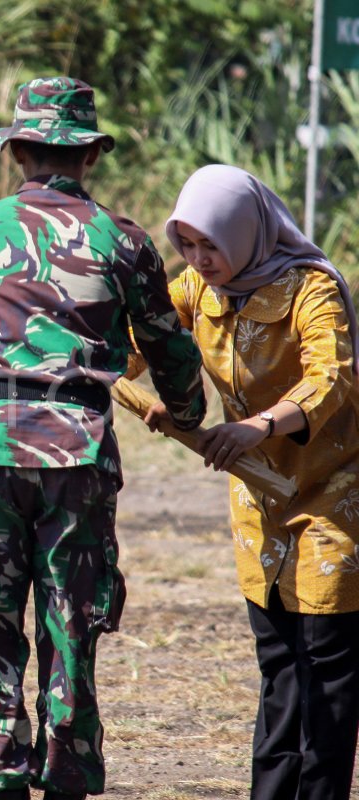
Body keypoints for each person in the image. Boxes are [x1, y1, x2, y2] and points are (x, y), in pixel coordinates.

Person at [0, 77, 207, 800]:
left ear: (18, 151)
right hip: (79, 453)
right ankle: (65, 773)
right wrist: (186, 414)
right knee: (72, 624)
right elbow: (169, 347)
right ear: (89, 155)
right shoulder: (125, 241)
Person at [145, 164, 359, 800]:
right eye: (187, 244)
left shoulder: (310, 289)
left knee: (326, 664)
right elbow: (140, 341)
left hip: (332, 494)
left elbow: (335, 377)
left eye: (211, 243)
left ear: (247, 232)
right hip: (258, 497)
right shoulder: (197, 291)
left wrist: (259, 425)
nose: (199, 259)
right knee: (278, 664)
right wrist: (160, 393)